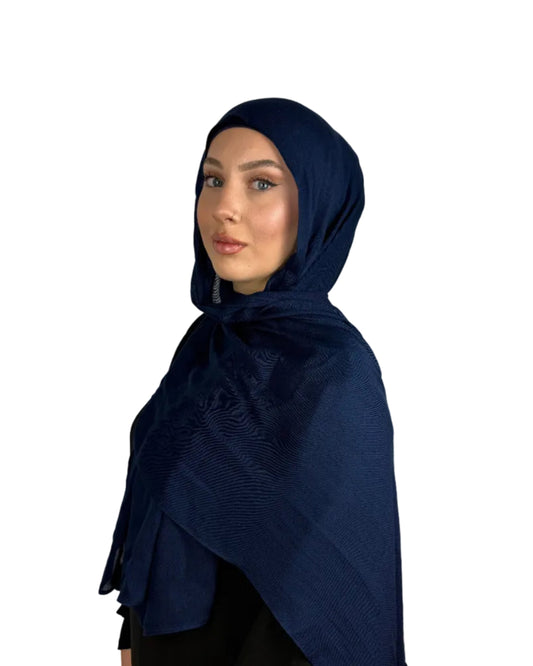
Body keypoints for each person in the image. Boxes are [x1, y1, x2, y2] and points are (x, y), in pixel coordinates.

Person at [99, 97, 409, 666]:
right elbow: (162, 508)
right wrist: (129, 640)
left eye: (261, 184)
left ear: (317, 208)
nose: (224, 208)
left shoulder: (333, 372)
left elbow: (326, 606)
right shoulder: (206, 347)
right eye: (212, 180)